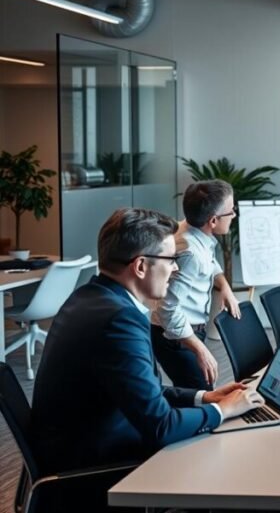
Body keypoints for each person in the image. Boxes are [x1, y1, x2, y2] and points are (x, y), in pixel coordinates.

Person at [31, 208, 261, 510]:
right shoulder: (119, 320)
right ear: (140, 266)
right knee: (230, 459)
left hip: (81, 443)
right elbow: (161, 427)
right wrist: (223, 410)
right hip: (94, 468)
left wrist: (205, 398)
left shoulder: (89, 296)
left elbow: (140, 390)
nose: (175, 269)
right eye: (171, 259)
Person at [152, 179, 241, 390]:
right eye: (231, 211)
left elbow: (209, 263)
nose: (234, 215)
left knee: (196, 394)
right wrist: (199, 348)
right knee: (201, 397)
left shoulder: (190, 229)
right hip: (177, 336)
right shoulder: (190, 253)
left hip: (182, 332)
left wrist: (225, 286)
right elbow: (167, 309)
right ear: (213, 221)